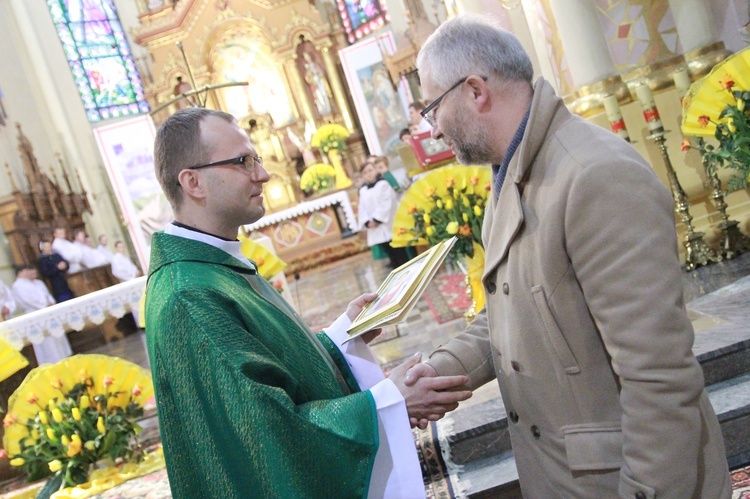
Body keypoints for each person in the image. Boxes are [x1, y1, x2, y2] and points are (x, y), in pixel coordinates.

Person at [404, 15, 731, 498]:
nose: (430, 131)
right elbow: (512, 306)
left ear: (475, 91)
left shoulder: (593, 176)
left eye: (432, 108)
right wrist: (439, 370)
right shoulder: (511, 171)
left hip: (632, 479)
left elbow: (659, 377)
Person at [145, 107, 471, 498]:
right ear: (193, 182)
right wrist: (388, 401)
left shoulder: (212, 265)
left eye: (258, 159)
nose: (262, 174)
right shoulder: (189, 295)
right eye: (242, 162)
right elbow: (271, 436)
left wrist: (341, 338)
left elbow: (269, 367)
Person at [12, 266, 73, 364]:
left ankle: (63, 356)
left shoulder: (32, 282)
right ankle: (51, 361)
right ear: (20, 272)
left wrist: (50, 302)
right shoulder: (17, 285)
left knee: (55, 334)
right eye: (26, 271)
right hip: (35, 313)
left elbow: (45, 294)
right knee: (45, 339)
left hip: (45, 310)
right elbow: (28, 299)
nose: (28, 273)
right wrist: (44, 304)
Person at [357, 161, 410, 269]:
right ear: (362, 176)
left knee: (399, 252)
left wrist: (377, 220)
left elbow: (387, 203)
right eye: (365, 172)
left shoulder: (383, 185)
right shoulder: (363, 190)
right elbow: (361, 208)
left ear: (376, 170)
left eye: (370, 170)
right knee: (389, 253)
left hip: (388, 223)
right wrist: (367, 222)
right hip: (375, 228)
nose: (368, 174)